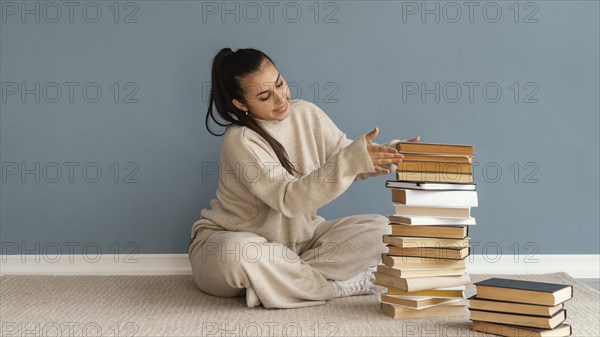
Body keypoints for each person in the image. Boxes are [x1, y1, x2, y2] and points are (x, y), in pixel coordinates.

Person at [188, 47, 420, 309]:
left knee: (383, 230)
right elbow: (288, 200)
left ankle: (276, 282)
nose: (280, 99)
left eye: (280, 84)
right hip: (229, 244)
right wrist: (350, 160)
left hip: (303, 244)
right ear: (241, 105)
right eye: (265, 96)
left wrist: (393, 153)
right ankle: (332, 288)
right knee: (240, 253)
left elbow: (347, 159)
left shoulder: (307, 114)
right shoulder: (240, 140)